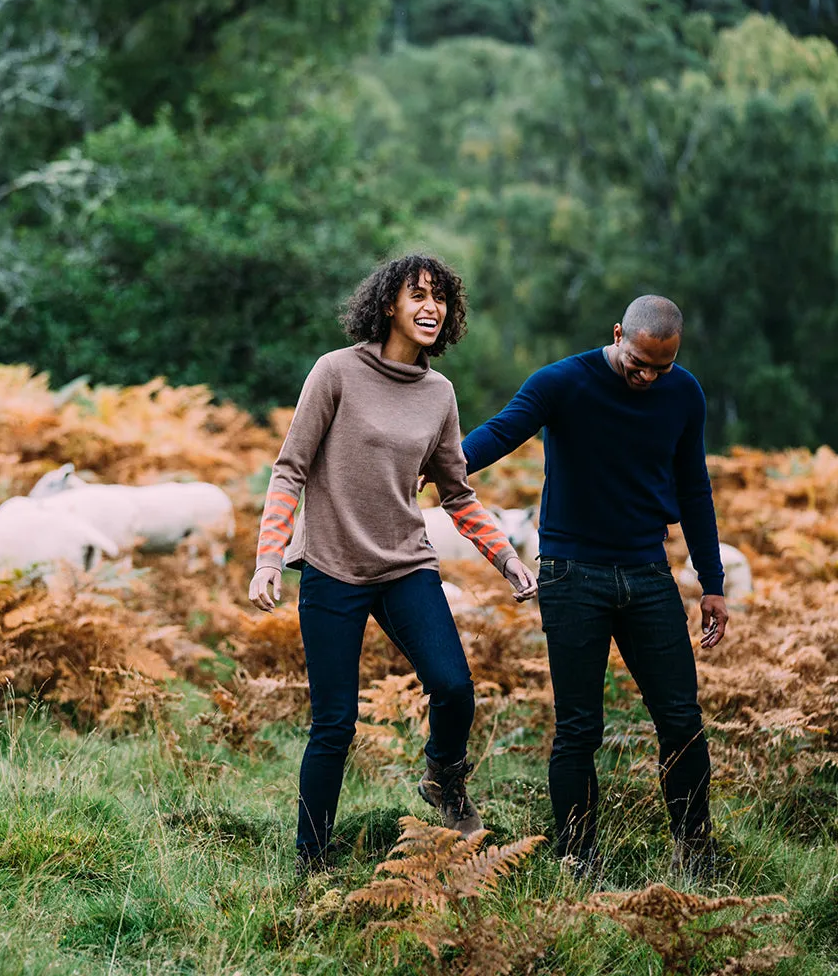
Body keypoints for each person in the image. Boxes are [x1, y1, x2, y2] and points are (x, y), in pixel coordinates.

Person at [248, 253, 538, 872]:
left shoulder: (439, 394)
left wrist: (507, 560)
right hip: (331, 566)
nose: (431, 307)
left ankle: (442, 778)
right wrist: (269, 558)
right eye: (418, 296)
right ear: (389, 305)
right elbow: (289, 469)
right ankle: (312, 863)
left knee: (455, 687)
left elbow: (456, 493)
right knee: (335, 724)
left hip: (406, 564)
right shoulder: (335, 373)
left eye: (440, 298)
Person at [456, 295, 728, 879]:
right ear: (617, 335)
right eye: (639, 361)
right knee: (581, 727)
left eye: (663, 365)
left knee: (681, 719)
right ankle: (579, 858)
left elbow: (694, 488)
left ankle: (696, 854)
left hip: (649, 574)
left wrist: (713, 582)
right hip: (571, 574)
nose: (648, 376)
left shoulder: (684, 394)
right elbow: (501, 432)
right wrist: (431, 466)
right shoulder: (562, 382)